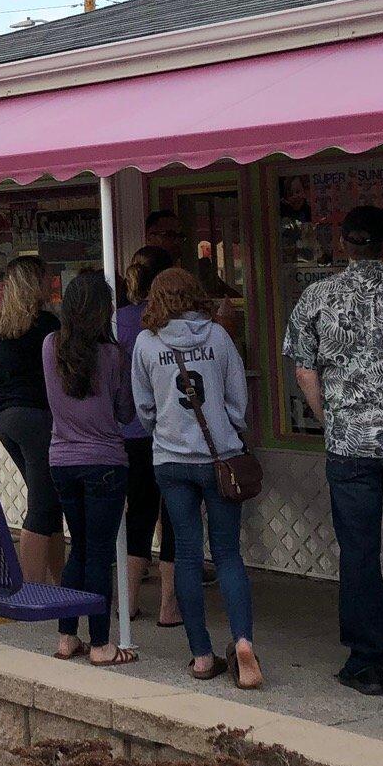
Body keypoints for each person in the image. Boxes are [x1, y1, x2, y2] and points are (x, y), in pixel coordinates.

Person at [284, 203, 383, 699]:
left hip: (350, 447)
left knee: (360, 553)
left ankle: (367, 663)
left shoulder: (317, 298)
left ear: (343, 243)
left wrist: (333, 420)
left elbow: (304, 369)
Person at [132, 267, 262, 690]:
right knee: (227, 553)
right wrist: (230, 430)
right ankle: (243, 642)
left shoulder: (147, 343)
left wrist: (167, 432)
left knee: (186, 553)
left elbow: (144, 406)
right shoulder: (219, 336)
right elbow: (237, 399)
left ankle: (202, 655)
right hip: (218, 457)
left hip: (170, 461)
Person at [43, 269, 137, 667]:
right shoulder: (114, 355)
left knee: (77, 548)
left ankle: (68, 636)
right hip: (104, 460)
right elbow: (125, 410)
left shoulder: (50, 346)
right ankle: (101, 644)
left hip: (62, 458)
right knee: (100, 553)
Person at [0, 255, 62, 584]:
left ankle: (61, 578)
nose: (52, 282)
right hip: (37, 417)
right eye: (47, 277)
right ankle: (31, 585)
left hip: (7, 417)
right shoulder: (47, 326)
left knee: (46, 495)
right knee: (43, 502)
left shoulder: (4, 327)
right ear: (36, 284)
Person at [117, 244, 178, 626]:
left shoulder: (117, 321)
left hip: (130, 432)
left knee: (138, 513)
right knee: (174, 516)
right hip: (171, 429)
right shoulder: (171, 322)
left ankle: (130, 600)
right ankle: (169, 605)